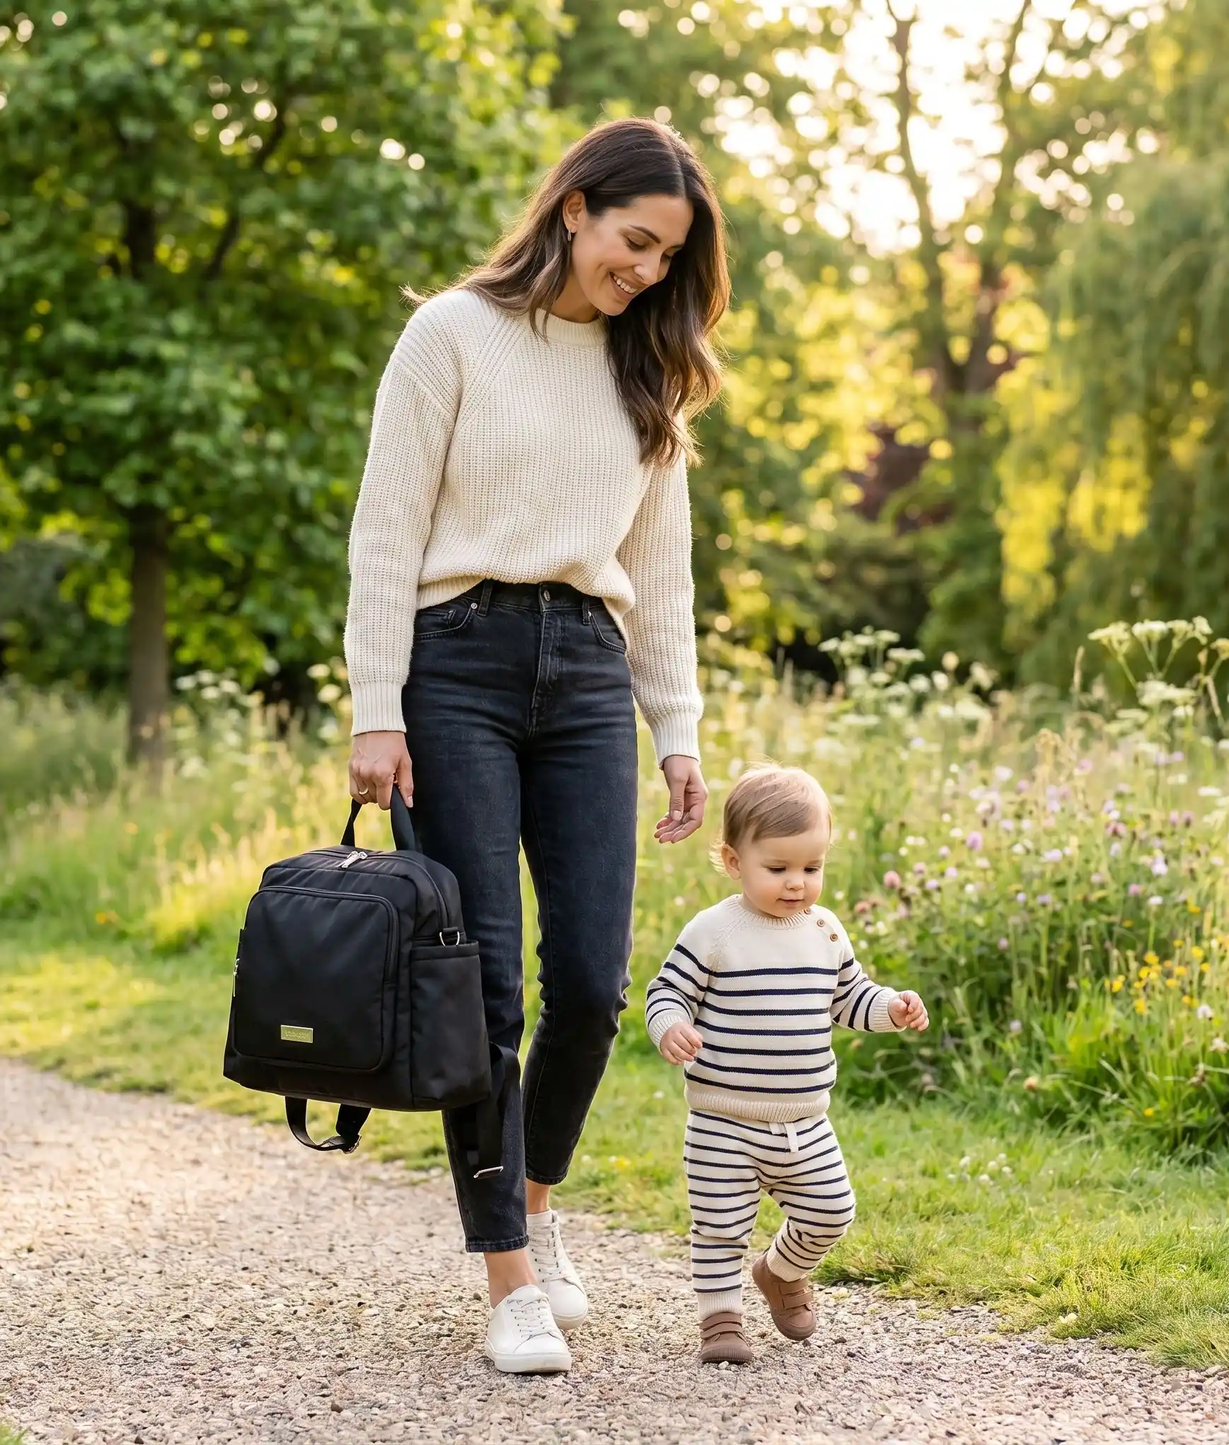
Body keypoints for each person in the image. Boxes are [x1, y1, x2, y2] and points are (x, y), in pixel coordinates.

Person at [343, 117, 729, 1375]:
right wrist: (374, 704)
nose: (648, 271)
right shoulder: (449, 333)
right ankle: (506, 1271)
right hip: (453, 662)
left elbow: (659, 574)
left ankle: (537, 1202)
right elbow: (386, 531)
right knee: (486, 982)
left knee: (594, 989)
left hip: (585, 674)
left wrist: (676, 727)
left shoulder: (644, 372)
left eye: (668, 256)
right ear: (573, 209)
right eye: (635, 241)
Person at [645, 764, 930, 1364]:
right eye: (778, 869)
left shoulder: (825, 932)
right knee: (721, 1225)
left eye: (812, 867)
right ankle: (720, 1319)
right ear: (732, 861)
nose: (797, 883)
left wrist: (892, 1009)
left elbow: (849, 999)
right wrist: (670, 1025)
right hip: (723, 1119)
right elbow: (664, 991)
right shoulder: (714, 932)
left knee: (832, 1210)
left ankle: (779, 1271)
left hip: (805, 1118)